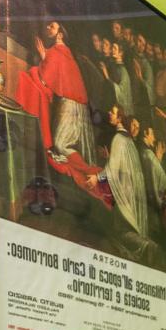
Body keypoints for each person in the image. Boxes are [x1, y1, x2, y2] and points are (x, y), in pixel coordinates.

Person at [33, 21, 94, 165]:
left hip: (71, 104)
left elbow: (46, 77)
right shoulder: (60, 50)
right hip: (70, 102)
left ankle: (86, 169)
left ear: (60, 35)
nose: (48, 27)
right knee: (61, 144)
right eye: (48, 25)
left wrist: (43, 57)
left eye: (52, 27)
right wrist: (44, 56)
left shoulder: (59, 50)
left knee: (60, 144)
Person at [102, 104, 151, 244]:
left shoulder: (119, 138)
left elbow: (113, 168)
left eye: (112, 112)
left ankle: (145, 245)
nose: (109, 113)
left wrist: (96, 177)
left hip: (125, 188)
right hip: (129, 187)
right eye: (134, 126)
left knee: (121, 229)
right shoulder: (126, 139)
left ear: (119, 119)